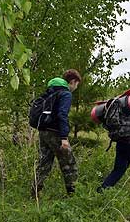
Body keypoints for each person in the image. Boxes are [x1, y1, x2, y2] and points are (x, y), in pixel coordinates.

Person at [31, 69, 82, 198]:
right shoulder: (65, 94)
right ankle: (74, 195)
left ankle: (34, 193)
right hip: (55, 134)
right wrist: (64, 138)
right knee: (69, 164)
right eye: (77, 84)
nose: (76, 87)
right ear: (72, 82)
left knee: (44, 163)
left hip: (43, 132)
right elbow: (62, 115)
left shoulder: (50, 92)